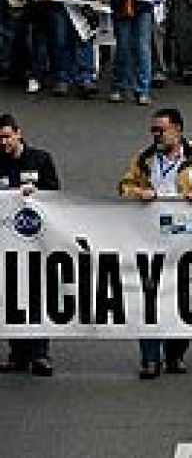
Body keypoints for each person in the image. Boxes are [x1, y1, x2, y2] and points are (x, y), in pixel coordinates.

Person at [118, 108, 192, 379]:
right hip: (150, 239)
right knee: (150, 298)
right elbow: (124, 186)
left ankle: (175, 354)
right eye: (153, 130)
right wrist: (138, 192)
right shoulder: (144, 159)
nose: (156, 135)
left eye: (160, 130)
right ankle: (150, 358)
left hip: (188, 240)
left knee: (184, 299)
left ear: (178, 130)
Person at [0, 113, 60, 375]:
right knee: (12, 296)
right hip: (7, 242)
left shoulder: (41, 159)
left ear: (18, 133)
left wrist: (37, 195)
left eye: (6, 136)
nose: (3, 143)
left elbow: (56, 193)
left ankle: (40, 355)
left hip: (37, 241)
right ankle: (17, 355)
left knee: (36, 296)